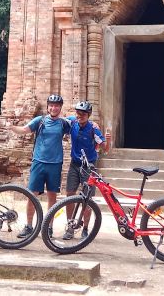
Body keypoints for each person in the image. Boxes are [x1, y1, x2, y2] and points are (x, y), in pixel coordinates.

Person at [9, 94, 71, 238]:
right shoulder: (40, 121)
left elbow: (77, 126)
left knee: (52, 197)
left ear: (60, 108)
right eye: (52, 105)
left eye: (57, 106)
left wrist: (93, 125)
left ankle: (48, 227)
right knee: (31, 196)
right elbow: (24, 130)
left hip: (55, 164)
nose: (54, 108)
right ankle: (29, 226)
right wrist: (12, 127)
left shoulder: (63, 123)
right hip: (39, 162)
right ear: (48, 107)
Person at [62, 100, 104, 240]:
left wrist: (107, 141)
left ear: (89, 115)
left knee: (88, 198)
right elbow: (59, 120)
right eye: (78, 113)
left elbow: (103, 145)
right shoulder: (72, 122)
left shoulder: (93, 128)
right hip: (75, 164)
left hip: (89, 165)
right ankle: (70, 226)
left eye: (83, 114)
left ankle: (85, 228)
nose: (80, 116)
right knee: (70, 194)